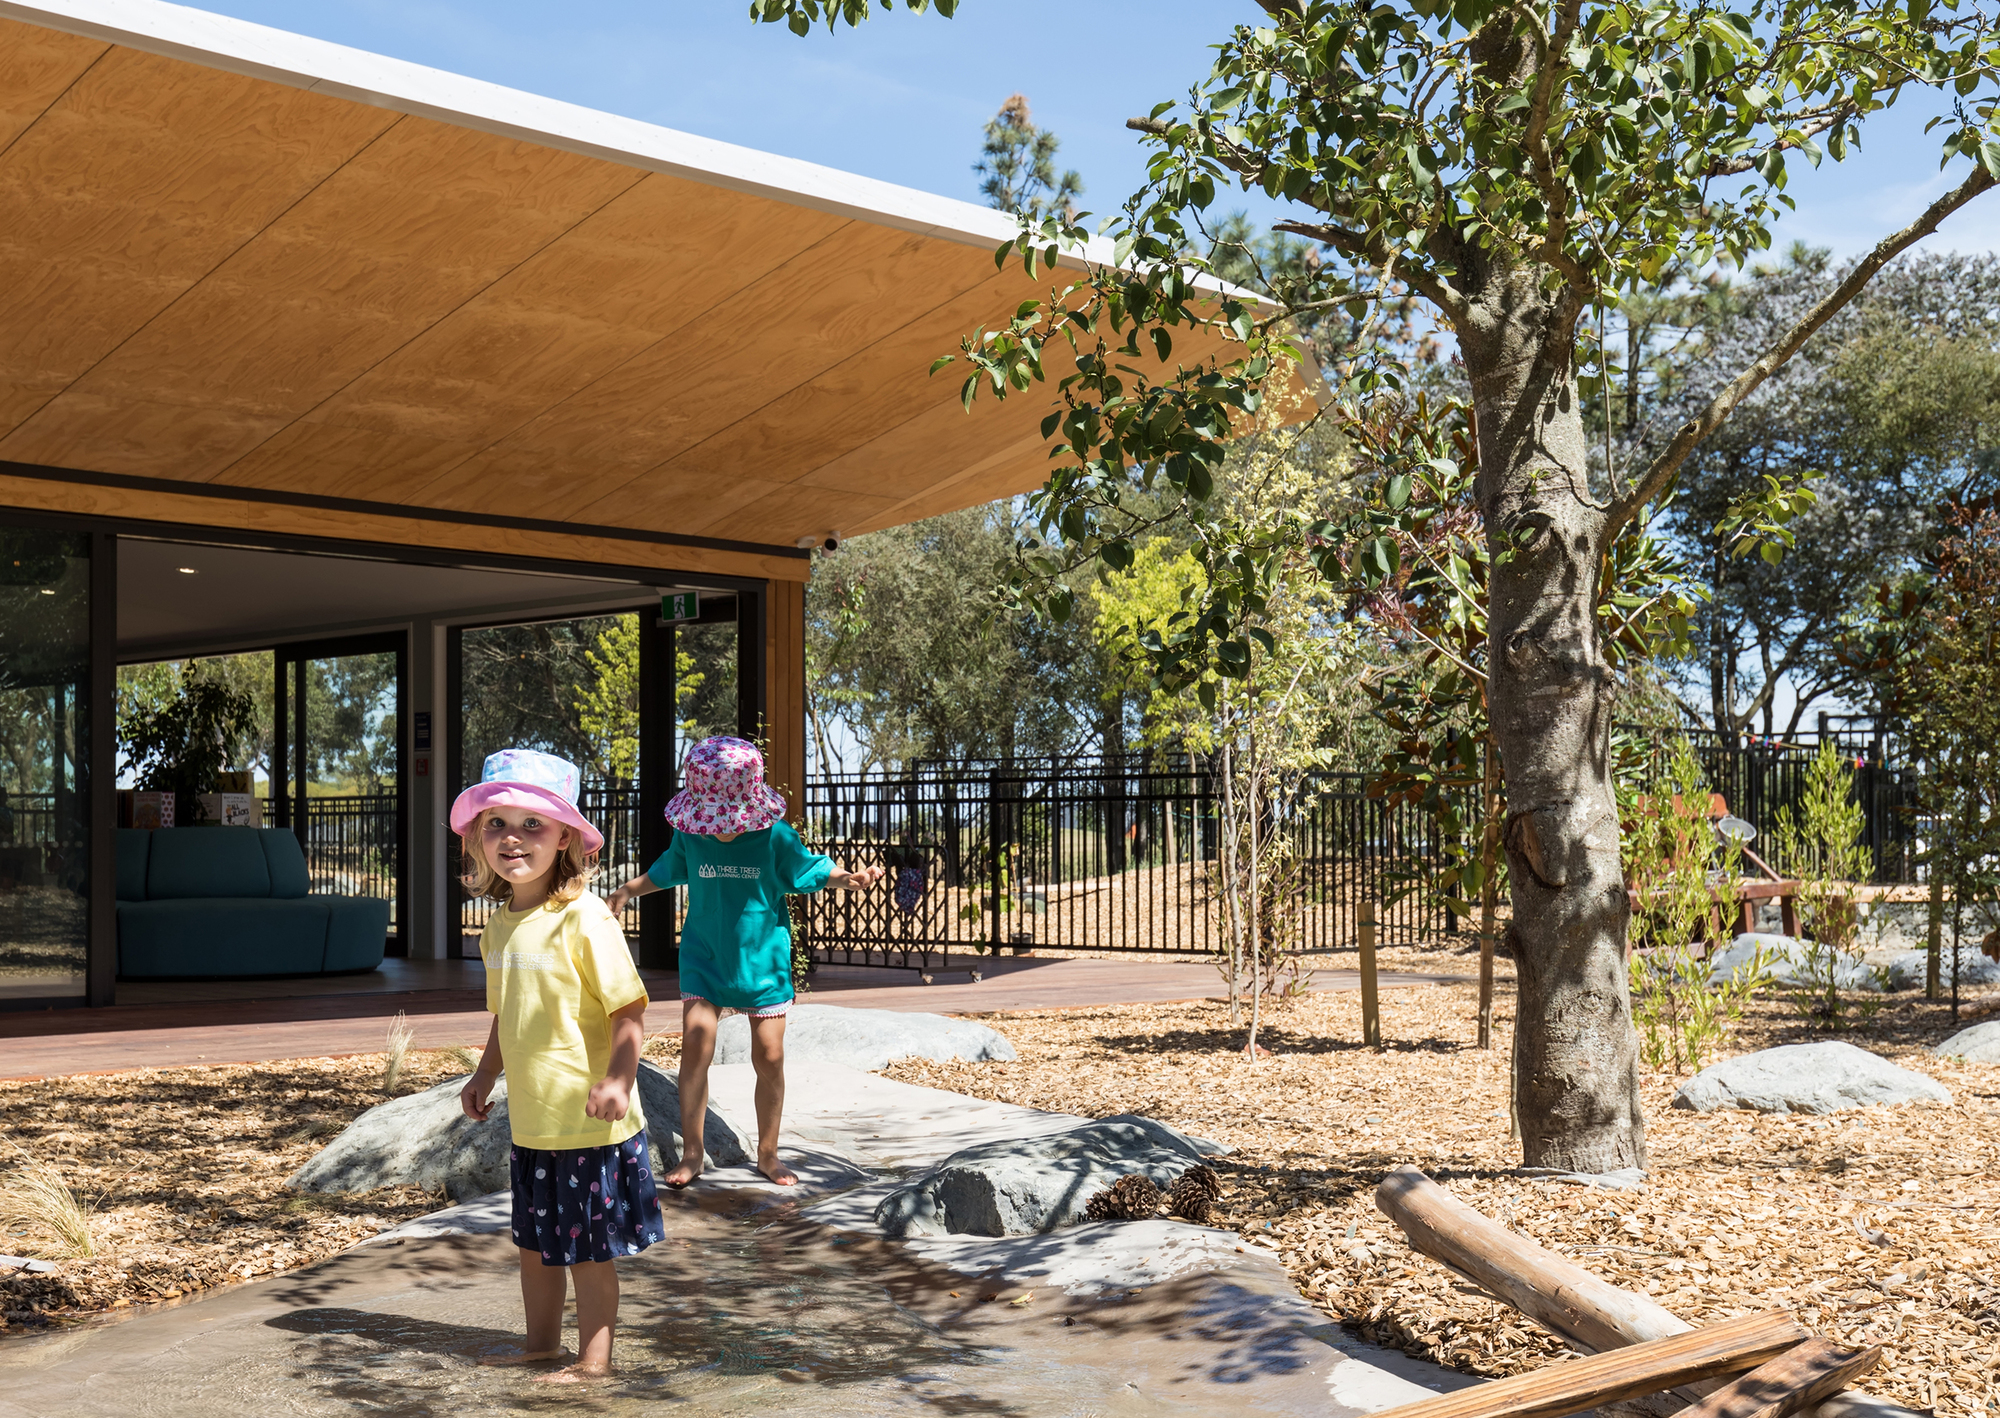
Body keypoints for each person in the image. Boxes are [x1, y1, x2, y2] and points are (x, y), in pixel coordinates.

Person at [454, 748, 659, 1383]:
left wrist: (620, 1078)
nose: (511, 838)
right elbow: (504, 1014)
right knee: (536, 1247)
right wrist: (485, 1074)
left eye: (532, 824)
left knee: (588, 1252)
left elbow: (628, 1009)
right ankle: (541, 1344)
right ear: (476, 840)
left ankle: (594, 1363)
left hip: (589, 1125)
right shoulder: (497, 929)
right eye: (496, 824)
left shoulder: (585, 918)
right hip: (534, 1124)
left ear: (565, 835)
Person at [607, 736, 880, 1187]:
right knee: (696, 1046)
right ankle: (692, 1153)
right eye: (712, 817)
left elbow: (808, 868)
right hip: (705, 957)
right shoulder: (692, 834)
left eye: (728, 817)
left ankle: (769, 1154)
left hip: (762, 964)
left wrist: (844, 878)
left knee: (769, 1056)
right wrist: (626, 891)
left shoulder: (773, 836)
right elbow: (665, 869)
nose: (720, 827)